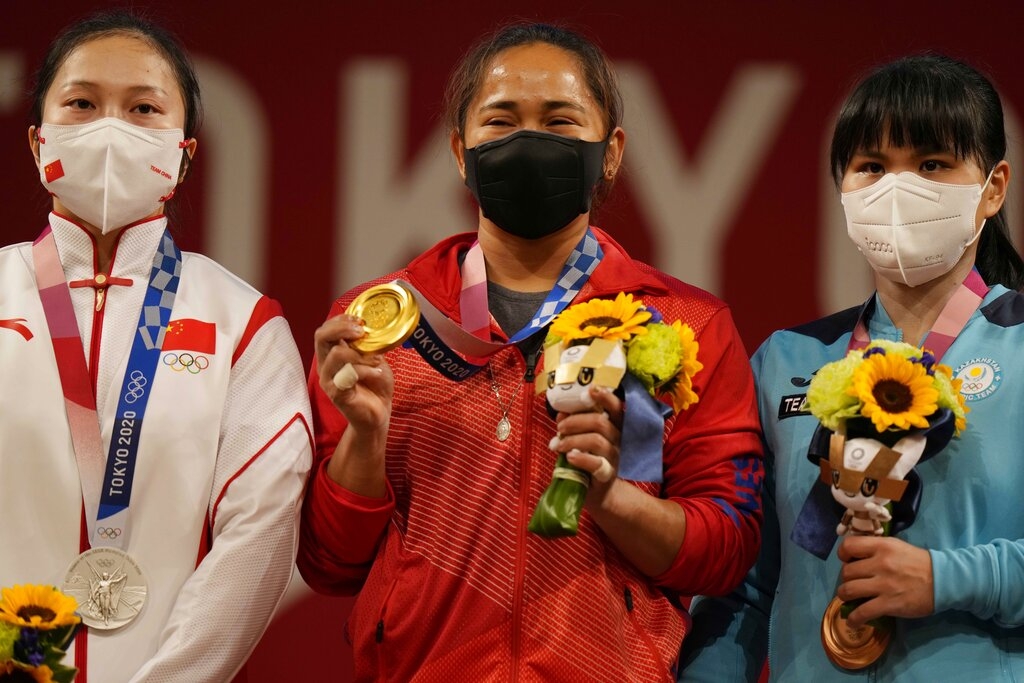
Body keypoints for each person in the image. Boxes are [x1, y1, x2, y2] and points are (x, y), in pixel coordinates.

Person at [297, 22, 763, 682]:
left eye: (560, 120)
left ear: (611, 152)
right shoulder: (381, 327)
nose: (529, 139)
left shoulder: (687, 324)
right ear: (460, 150)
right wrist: (365, 441)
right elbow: (328, 561)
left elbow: (729, 546)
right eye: (501, 120)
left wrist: (611, 498)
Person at [679, 54, 1024, 681]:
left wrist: (945, 578)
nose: (897, 187)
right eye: (872, 166)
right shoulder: (786, 361)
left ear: (993, 187)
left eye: (932, 164)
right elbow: (740, 593)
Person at [0, 10, 312, 682]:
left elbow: (258, 534)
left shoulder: (244, 324)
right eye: (82, 103)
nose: (110, 128)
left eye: (143, 108)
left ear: (184, 152)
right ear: (37, 141)